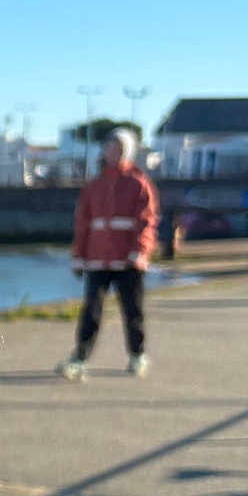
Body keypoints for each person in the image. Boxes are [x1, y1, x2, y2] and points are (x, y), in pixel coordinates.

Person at [57, 128, 159, 379]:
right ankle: (79, 358)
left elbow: (147, 221)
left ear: (127, 152)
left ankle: (138, 355)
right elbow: (83, 222)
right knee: (91, 310)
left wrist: (140, 251)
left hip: (128, 261)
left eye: (118, 149)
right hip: (97, 259)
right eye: (109, 148)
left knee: (133, 311)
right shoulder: (94, 185)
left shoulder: (138, 184)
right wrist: (78, 256)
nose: (112, 153)